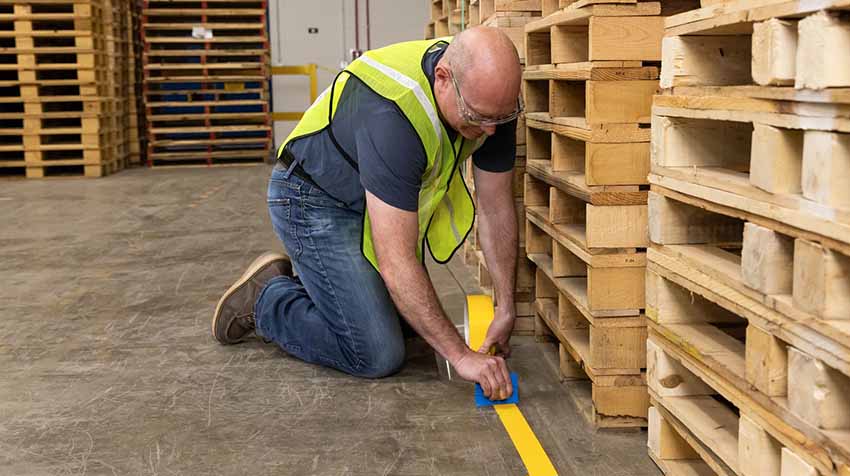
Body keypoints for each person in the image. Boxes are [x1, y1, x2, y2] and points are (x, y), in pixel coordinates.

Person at [212, 26, 522, 400]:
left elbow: (496, 208)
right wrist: (462, 356)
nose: (489, 129)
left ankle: (322, 288)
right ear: (443, 78)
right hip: (312, 199)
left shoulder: (488, 101)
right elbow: (396, 262)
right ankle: (267, 299)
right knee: (376, 352)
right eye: (477, 117)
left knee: (412, 327)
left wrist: (506, 305)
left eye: (499, 118)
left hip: (370, 202)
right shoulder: (392, 115)